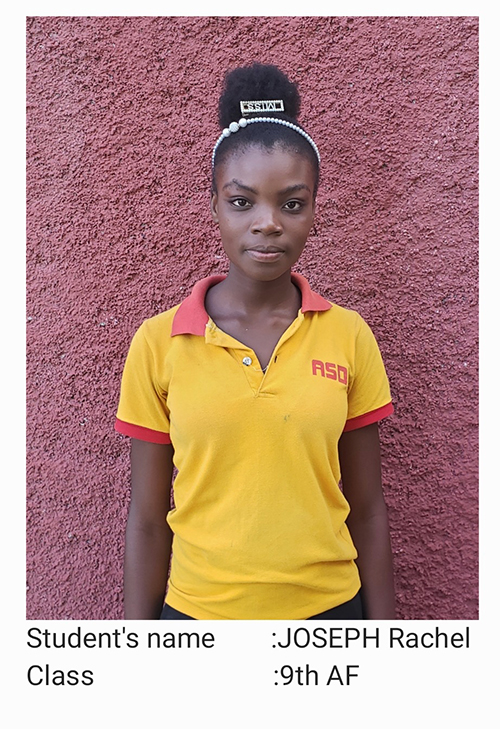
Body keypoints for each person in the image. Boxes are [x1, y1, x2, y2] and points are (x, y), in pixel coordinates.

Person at [115, 63, 395, 620]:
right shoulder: (158, 342)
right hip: (199, 620)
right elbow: (146, 519)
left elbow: (367, 509)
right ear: (214, 204)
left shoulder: (348, 335)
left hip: (330, 616)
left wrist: (388, 644)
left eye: (291, 203)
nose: (268, 223)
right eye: (243, 202)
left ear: (314, 210)